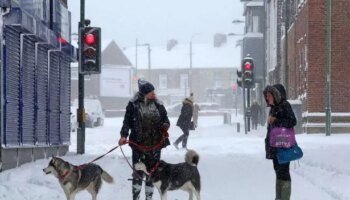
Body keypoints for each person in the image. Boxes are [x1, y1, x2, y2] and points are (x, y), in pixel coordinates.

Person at [119, 79, 170, 200]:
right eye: (151, 92)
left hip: (155, 145)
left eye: (154, 91)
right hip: (138, 145)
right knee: (138, 173)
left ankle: (149, 198)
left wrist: (165, 125)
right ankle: (136, 197)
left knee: (151, 174)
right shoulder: (133, 104)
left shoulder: (159, 104)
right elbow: (127, 122)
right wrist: (123, 136)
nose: (154, 94)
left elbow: (166, 119)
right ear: (144, 93)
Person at [263, 84, 297, 200]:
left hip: (283, 146)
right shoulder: (272, 109)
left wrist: (277, 120)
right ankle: (279, 198)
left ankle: (284, 198)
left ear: (275, 95)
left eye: (269, 96)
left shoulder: (285, 105)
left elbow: (292, 121)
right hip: (274, 148)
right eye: (266, 96)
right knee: (278, 173)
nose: (267, 98)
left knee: (284, 173)